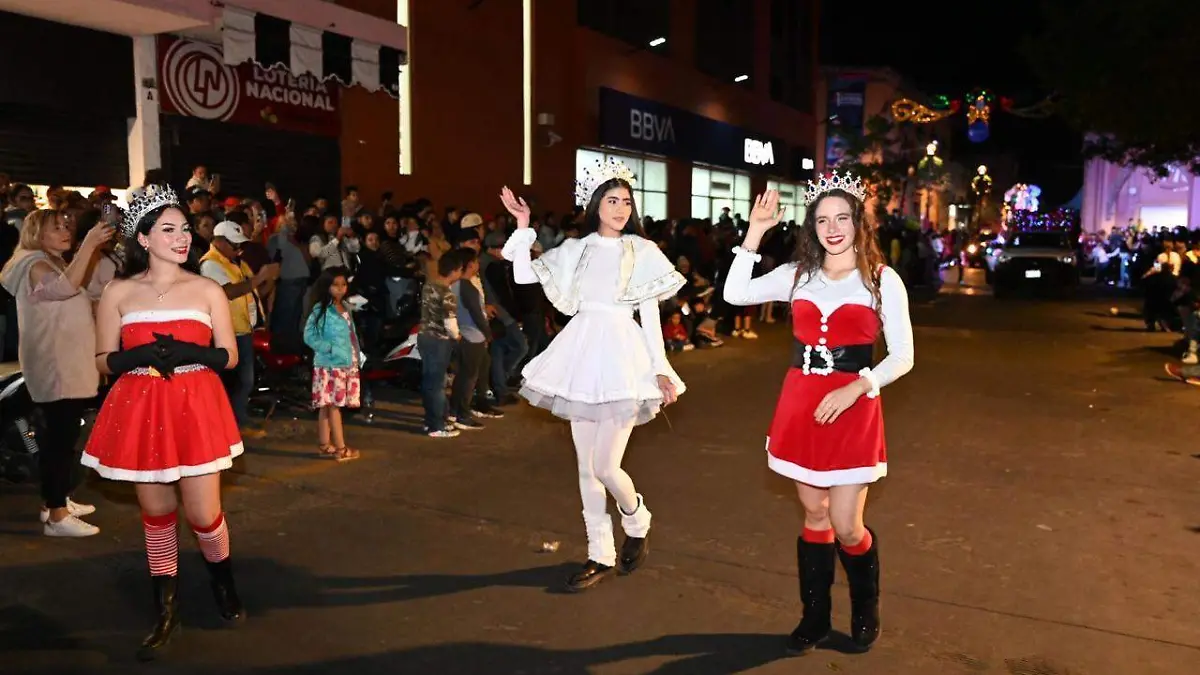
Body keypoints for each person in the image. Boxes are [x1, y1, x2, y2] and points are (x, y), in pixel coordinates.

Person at [723, 174, 914, 655]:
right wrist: (755, 232)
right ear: (812, 226)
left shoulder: (881, 280)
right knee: (814, 511)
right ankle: (815, 616)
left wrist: (857, 387)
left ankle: (865, 606)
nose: (833, 228)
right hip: (801, 403)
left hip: (853, 404)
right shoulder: (798, 274)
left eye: (842, 218)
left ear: (858, 222)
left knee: (848, 523)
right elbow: (733, 294)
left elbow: (903, 355)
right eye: (823, 219)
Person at [498, 157, 685, 592]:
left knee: (605, 465)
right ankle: (599, 553)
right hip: (581, 352)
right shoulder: (575, 249)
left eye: (626, 201)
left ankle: (636, 517)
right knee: (586, 468)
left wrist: (661, 369)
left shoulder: (642, 251)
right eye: (612, 200)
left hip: (623, 356)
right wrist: (524, 224)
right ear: (596, 204)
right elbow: (525, 275)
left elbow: (651, 316)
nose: (620, 208)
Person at [80, 185, 246, 661]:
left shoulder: (208, 288)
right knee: (157, 516)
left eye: (185, 229)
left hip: (197, 406)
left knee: (203, 514)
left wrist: (195, 353)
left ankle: (223, 584)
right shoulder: (118, 291)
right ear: (145, 238)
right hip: (140, 406)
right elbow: (101, 361)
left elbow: (230, 356)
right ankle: (165, 607)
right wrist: (140, 356)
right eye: (169, 230)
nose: (182, 238)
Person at [0, 209, 114, 536]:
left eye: (67, 226)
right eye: (56, 228)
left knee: (61, 437)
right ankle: (57, 516)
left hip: (65, 362)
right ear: (37, 233)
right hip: (56, 365)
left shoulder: (49, 262)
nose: (66, 231)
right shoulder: (34, 265)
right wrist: (89, 244)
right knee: (59, 441)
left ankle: (55, 499)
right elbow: (64, 290)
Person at [304, 267, 363, 462]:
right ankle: (341, 448)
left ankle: (324, 444)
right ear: (326, 286)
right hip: (329, 366)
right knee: (334, 407)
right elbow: (309, 336)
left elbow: (350, 334)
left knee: (327, 406)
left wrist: (356, 354)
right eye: (335, 285)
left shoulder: (344, 307)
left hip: (343, 363)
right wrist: (329, 348)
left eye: (343, 285)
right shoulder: (321, 310)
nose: (340, 289)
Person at [417, 250, 464, 438]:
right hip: (439, 341)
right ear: (454, 271)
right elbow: (450, 323)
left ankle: (430, 421)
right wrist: (458, 336)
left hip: (424, 337)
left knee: (429, 381)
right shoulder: (448, 294)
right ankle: (437, 425)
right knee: (437, 384)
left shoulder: (429, 286)